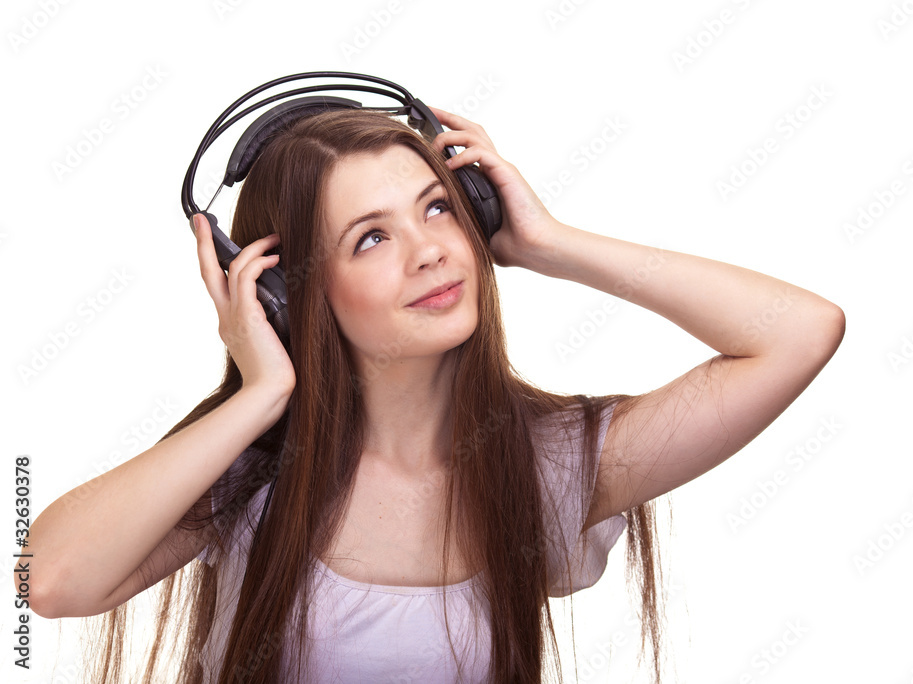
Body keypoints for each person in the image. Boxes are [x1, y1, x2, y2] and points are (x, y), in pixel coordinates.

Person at [23, 105, 845, 683]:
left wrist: (552, 244)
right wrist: (261, 391)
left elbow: (798, 331)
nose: (428, 252)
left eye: (440, 210)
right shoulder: (252, 476)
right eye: (372, 236)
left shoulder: (550, 465)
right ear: (287, 291)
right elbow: (48, 580)